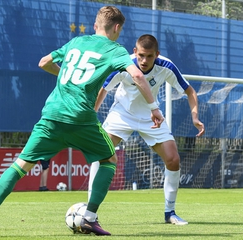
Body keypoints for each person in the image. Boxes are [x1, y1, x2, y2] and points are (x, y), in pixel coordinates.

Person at [0, 7, 164, 237]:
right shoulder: (115, 49)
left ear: (95, 26)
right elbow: (136, 75)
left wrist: (67, 75)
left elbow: (44, 62)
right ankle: (90, 218)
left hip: (52, 116)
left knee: (20, 164)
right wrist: (154, 108)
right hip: (80, 119)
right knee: (109, 159)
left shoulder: (76, 42)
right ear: (116, 28)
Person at [88, 34, 205, 225]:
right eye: (141, 55)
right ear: (135, 52)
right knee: (100, 152)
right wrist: (92, 114)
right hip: (122, 114)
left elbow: (190, 91)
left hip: (152, 117)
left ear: (156, 55)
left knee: (173, 160)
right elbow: (104, 89)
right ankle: (89, 210)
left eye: (149, 56)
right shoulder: (123, 64)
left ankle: (170, 213)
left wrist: (195, 117)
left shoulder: (166, 66)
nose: (144, 60)